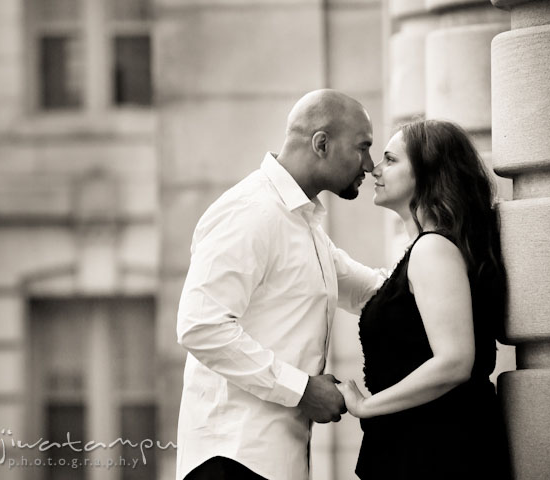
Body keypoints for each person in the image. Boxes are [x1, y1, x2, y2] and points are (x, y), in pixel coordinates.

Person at [175, 89, 387, 480]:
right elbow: (201, 325)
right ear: (321, 144)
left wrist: (440, 249)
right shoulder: (251, 211)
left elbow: (374, 292)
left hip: (274, 464)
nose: (371, 164)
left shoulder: (302, 224)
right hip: (232, 462)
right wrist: (303, 390)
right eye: (363, 147)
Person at [337, 119, 511, 479]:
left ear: (428, 173)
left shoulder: (433, 249)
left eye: (390, 159)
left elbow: (455, 362)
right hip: (424, 443)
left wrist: (366, 406)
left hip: (437, 449)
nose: (373, 168)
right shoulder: (428, 249)